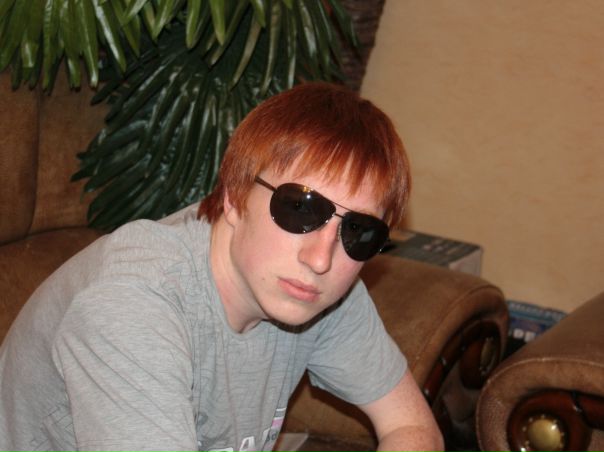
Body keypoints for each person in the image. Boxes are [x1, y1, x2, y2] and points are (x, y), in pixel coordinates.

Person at [0, 82, 443, 452]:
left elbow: (412, 428)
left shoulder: (322, 287)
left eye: (359, 232)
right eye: (300, 209)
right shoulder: (130, 307)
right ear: (233, 196)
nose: (321, 259)